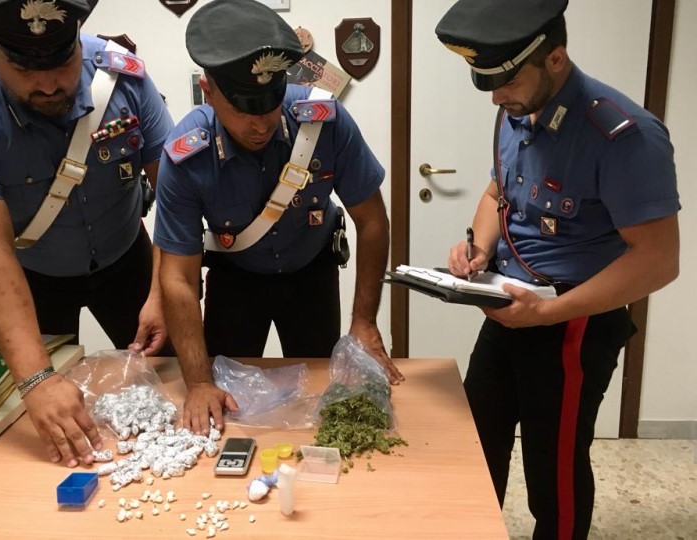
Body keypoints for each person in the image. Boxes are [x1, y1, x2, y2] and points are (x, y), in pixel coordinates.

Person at [435, 0, 680, 538]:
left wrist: (549, 312)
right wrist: (479, 247)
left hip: (574, 322)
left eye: (506, 81)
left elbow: (659, 260)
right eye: (488, 83)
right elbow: (498, 192)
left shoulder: (623, 136)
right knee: (476, 445)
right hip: (509, 306)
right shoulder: (516, 108)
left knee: (554, 470)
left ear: (555, 59)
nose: (496, 97)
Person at [0, 0, 175, 467]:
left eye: (62, 63)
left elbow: (177, 198)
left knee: (171, 381)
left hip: (129, 259)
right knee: (38, 415)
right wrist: (37, 381)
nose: (47, 84)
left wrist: (163, 291)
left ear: (78, 41)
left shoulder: (123, 79)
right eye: (24, 69)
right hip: (28, 279)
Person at [154, 0, 403, 435]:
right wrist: (197, 382)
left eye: (269, 104)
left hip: (311, 275)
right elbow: (177, 276)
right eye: (243, 109)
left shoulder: (324, 122)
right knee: (226, 407)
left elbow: (372, 219)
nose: (260, 125)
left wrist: (364, 321)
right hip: (235, 278)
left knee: (325, 400)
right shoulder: (186, 155)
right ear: (208, 90)